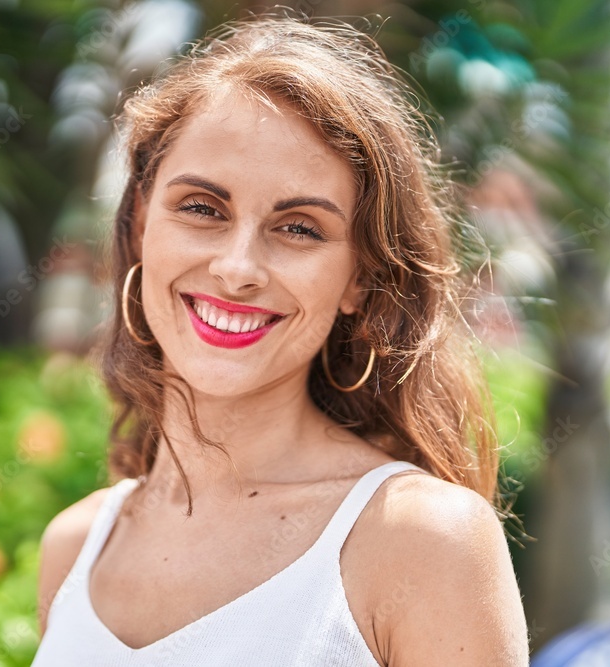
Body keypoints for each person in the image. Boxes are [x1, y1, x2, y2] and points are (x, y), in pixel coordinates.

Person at [32, 15, 529, 666]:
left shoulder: (422, 540)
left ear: (359, 278)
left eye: (299, 228)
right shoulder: (75, 548)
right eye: (202, 208)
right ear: (140, 224)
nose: (238, 268)